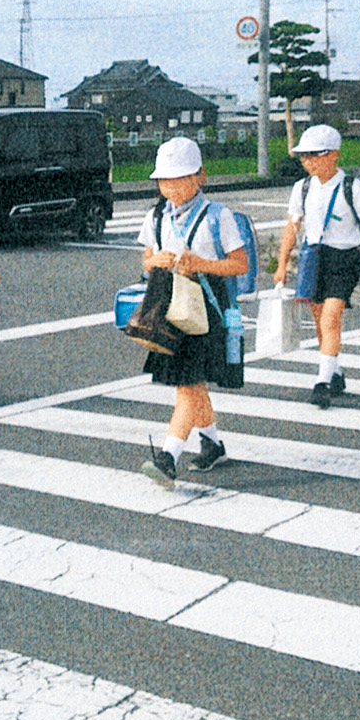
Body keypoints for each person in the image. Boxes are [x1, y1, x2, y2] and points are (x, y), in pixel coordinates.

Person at [137, 137, 248, 488]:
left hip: (207, 308)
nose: (170, 187)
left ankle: (168, 457)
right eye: (164, 180)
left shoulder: (219, 215)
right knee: (190, 382)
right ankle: (213, 443)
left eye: (179, 178)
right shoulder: (156, 216)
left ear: (200, 176)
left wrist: (199, 264)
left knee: (186, 383)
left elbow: (239, 264)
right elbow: (146, 259)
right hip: (169, 306)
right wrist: (156, 261)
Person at [274, 124, 360, 409]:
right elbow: (291, 227)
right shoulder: (302, 187)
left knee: (331, 317)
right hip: (313, 259)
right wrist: (282, 264)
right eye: (304, 157)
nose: (307, 162)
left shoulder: (352, 187)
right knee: (321, 321)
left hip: (344, 259)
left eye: (313, 156)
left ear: (333, 154)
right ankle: (336, 373)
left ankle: (321, 382)